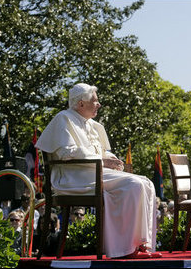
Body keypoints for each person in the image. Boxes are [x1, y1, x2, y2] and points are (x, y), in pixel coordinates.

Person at [35, 83, 160, 259]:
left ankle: (140, 244)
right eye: (95, 101)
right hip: (73, 177)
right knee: (133, 184)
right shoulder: (63, 118)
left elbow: (101, 151)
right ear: (81, 104)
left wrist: (112, 160)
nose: (99, 104)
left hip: (93, 172)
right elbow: (66, 152)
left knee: (146, 182)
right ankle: (124, 249)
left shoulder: (92, 125)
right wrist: (102, 160)